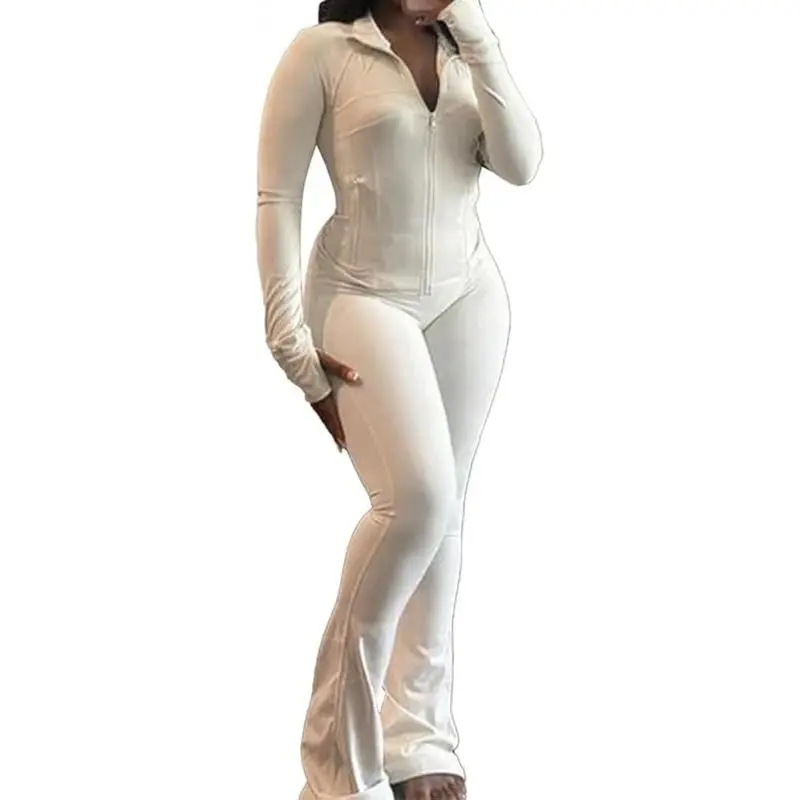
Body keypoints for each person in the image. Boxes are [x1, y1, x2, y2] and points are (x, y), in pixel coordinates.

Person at [255, 0, 543, 797]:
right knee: (415, 503)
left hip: (468, 296)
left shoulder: (463, 47)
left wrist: (476, 33)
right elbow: (277, 200)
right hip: (361, 294)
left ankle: (420, 738)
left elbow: (521, 163)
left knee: (445, 515)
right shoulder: (321, 52)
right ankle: (334, 763)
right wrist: (290, 345)